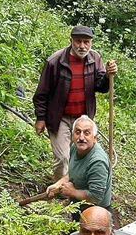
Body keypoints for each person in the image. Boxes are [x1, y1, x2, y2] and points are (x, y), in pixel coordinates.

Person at [33, 25, 118, 179]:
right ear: (71, 40)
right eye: (78, 41)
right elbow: (42, 92)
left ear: (91, 43)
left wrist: (107, 76)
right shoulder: (55, 61)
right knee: (62, 158)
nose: (82, 46)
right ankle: (60, 191)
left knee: (79, 156)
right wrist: (41, 118)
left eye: (86, 42)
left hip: (83, 119)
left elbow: (101, 87)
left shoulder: (95, 59)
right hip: (60, 117)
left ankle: (74, 187)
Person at [46, 117, 112, 213]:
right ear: (72, 135)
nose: (81, 138)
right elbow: (73, 172)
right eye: (77, 132)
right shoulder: (75, 148)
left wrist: (72, 192)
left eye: (86, 133)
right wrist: (58, 184)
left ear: (95, 138)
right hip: (78, 204)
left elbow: (96, 197)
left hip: (97, 212)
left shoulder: (98, 162)